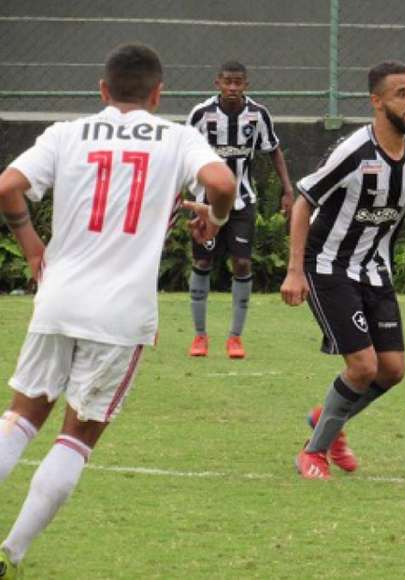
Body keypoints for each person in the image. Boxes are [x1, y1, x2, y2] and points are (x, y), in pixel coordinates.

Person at [0, 43, 235, 577]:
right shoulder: (178, 137)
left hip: (58, 298)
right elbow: (221, 184)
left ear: (103, 91)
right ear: (157, 94)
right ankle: (9, 552)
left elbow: (8, 187)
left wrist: (32, 246)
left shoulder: (66, 133)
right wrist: (214, 221)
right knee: (74, 437)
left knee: (18, 420)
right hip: (120, 314)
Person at [280, 61, 405, 480]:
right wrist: (294, 271)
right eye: (402, 94)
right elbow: (304, 202)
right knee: (362, 367)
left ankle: (328, 418)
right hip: (328, 267)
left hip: (375, 271)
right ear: (377, 102)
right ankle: (314, 453)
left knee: (392, 370)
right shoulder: (353, 152)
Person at [186, 61, 294, 359]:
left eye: (238, 82)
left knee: (243, 263)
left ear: (247, 84)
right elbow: (182, 154)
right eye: (227, 82)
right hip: (205, 201)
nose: (232, 88)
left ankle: (235, 337)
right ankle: (199, 336)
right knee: (204, 263)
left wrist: (287, 190)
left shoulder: (258, 115)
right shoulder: (201, 114)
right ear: (217, 83)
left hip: (242, 201)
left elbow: (273, 151)